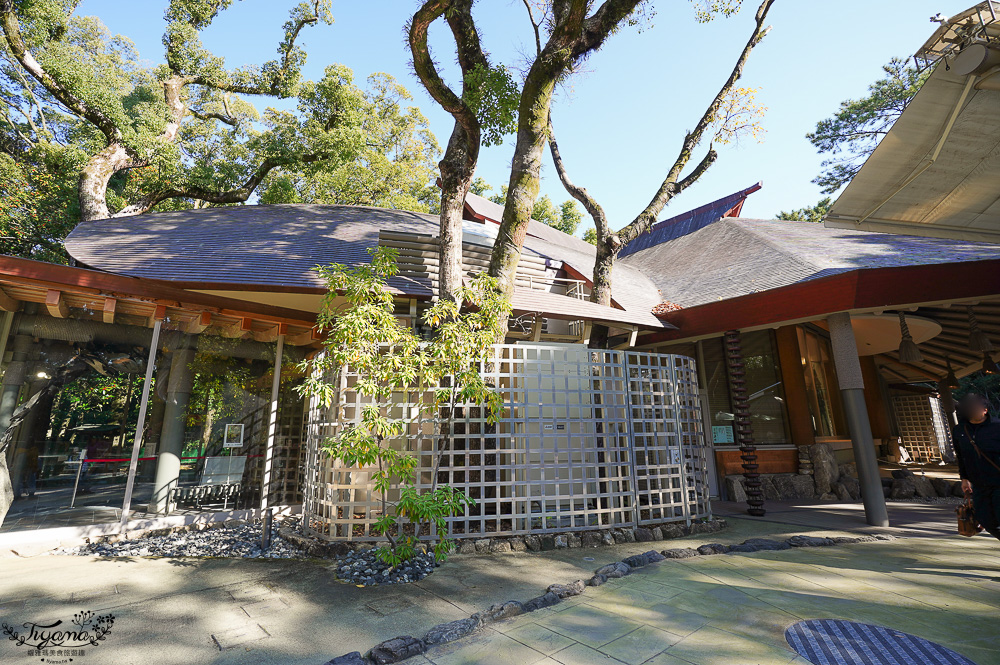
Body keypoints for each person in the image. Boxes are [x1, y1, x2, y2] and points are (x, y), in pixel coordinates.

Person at [953, 393, 1000, 541]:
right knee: (984, 519)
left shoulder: (997, 426)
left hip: (999, 481)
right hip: (978, 483)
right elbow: (960, 456)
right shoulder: (960, 430)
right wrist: (964, 478)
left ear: (985, 410)